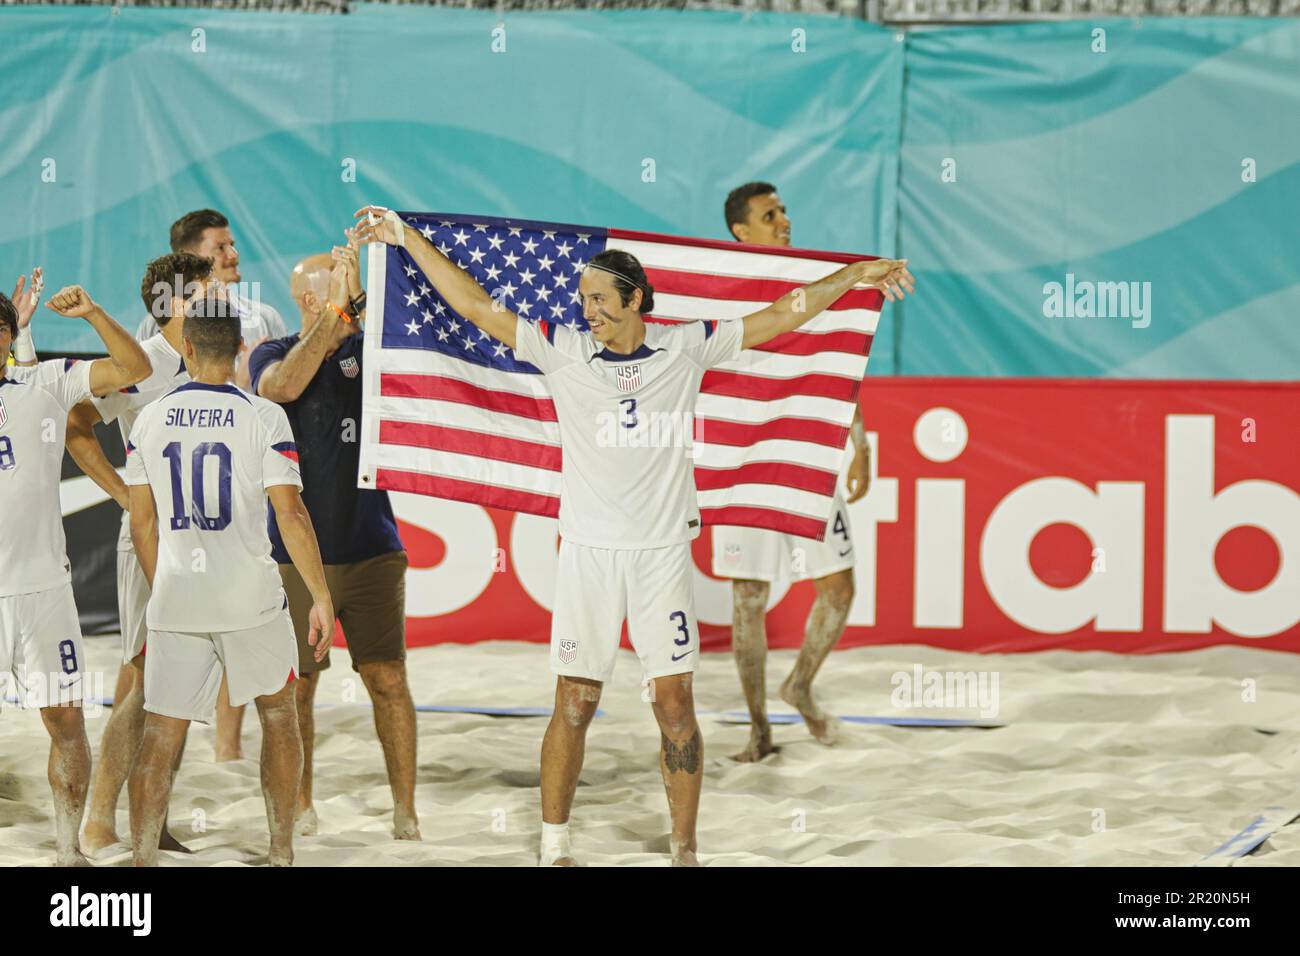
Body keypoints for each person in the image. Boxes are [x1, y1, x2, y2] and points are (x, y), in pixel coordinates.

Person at [353, 203, 913, 866]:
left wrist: (853, 275)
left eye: (599, 298)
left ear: (638, 299)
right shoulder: (560, 350)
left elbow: (784, 312)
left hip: (661, 558)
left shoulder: (686, 346)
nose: (587, 309)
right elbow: (476, 306)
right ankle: (555, 846)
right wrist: (404, 236)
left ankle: (684, 849)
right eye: (582, 298)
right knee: (576, 701)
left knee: (675, 707)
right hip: (588, 556)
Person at [123, 293, 334, 867]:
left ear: (186, 348)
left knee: (161, 734)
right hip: (250, 598)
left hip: (179, 598)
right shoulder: (263, 416)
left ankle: (142, 861)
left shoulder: (149, 418)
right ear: (241, 347)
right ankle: (280, 851)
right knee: (278, 717)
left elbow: (142, 522)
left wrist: (164, 583)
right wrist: (320, 594)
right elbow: (290, 514)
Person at [245, 242, 419, 840]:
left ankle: (405, 811)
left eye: (320, 294)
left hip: (373, 547)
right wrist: (335, 321)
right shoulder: (272, 353)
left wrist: (366, 306)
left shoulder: (374, 353)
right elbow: (284, 388)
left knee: (388, 682)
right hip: (296, 557)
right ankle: (303, 803)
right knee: (300, 689)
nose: (308, 304)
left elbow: (417, 372)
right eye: (307, 297)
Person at [712, 181, 874, 760]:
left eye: (784, 211)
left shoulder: (813, 282)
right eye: (770, 214)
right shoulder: (720, 289)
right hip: (745, 461)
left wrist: (860, 443)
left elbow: (838, 364)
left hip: (807, 452)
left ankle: (799, 684)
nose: (784, 221)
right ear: (741, 231)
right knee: (749, 596)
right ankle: (759, 729)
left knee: (839, 587)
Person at [66, 252, 218, 855]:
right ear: (174, 303)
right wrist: (124, 494)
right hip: (153, 535)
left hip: (203, 538)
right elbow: (77, 424)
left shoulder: (208, 360)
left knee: (181, 677)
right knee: (139, 672)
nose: (221, 302)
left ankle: (151, 817)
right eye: (208, 293)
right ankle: (100, 817)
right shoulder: (146, 362)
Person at [0, 284, 152, 866]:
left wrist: (92, 313)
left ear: (7, 340)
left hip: (43, 592)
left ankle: (68, 854)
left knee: (65, 720)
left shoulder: (46, 384)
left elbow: (134, 367)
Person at [133, 209, 288, 393]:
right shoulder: (154, 325)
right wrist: (238, 385)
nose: (234, 254)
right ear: (188, 256)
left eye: (232, 245)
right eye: (221, 248)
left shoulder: (265, 317)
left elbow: (282, 392)